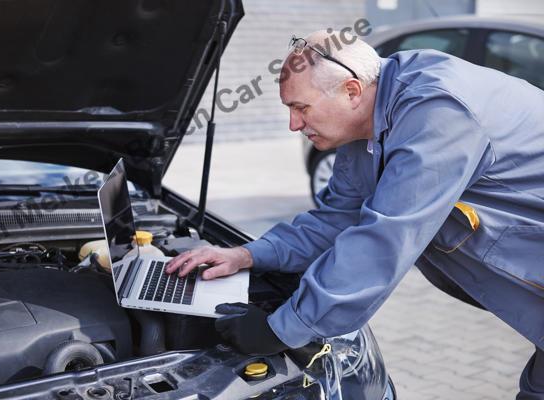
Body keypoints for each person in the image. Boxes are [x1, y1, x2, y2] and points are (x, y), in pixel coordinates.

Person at [165, 30, 544, 398]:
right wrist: (246, 255)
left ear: (351, 91)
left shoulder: (438, 112)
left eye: (301, 108)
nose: (293, 125)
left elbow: (384, 241)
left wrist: (283, 329)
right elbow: (336, 220)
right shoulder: (368, 129)